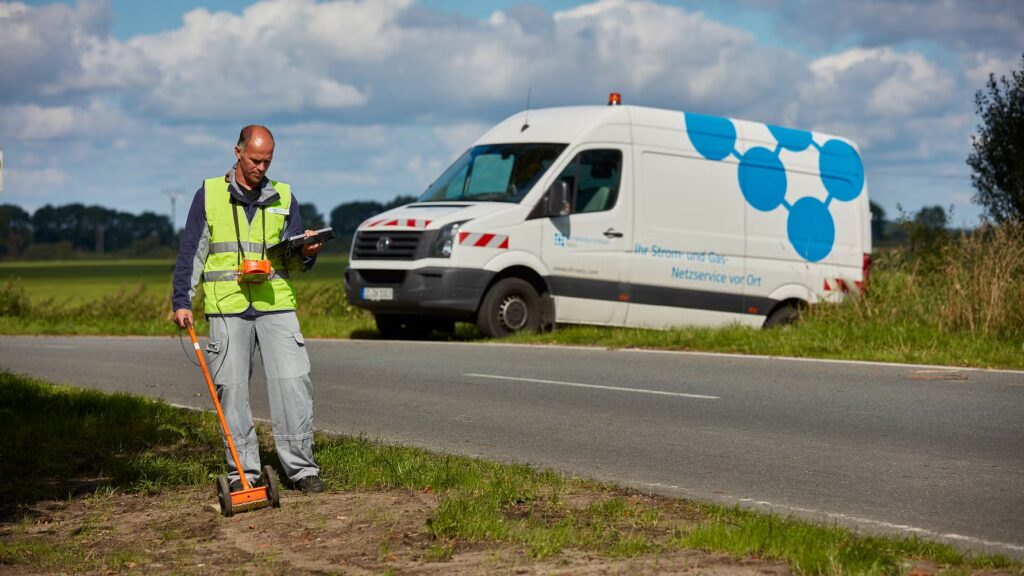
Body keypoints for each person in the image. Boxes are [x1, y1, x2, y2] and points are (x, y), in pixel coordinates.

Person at [172, 125, 325, 493]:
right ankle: (246, 474)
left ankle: (301, 470)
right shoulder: (208, 194)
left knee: (294, 385)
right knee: (232, 390)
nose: (261, 167)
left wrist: (306, 253)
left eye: (267, 161)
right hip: (227, 308)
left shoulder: (284, 196)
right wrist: (182, 299)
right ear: (238, 152)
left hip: (276, 305)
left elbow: (292, 257)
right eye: (255, 159)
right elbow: (192, 251)